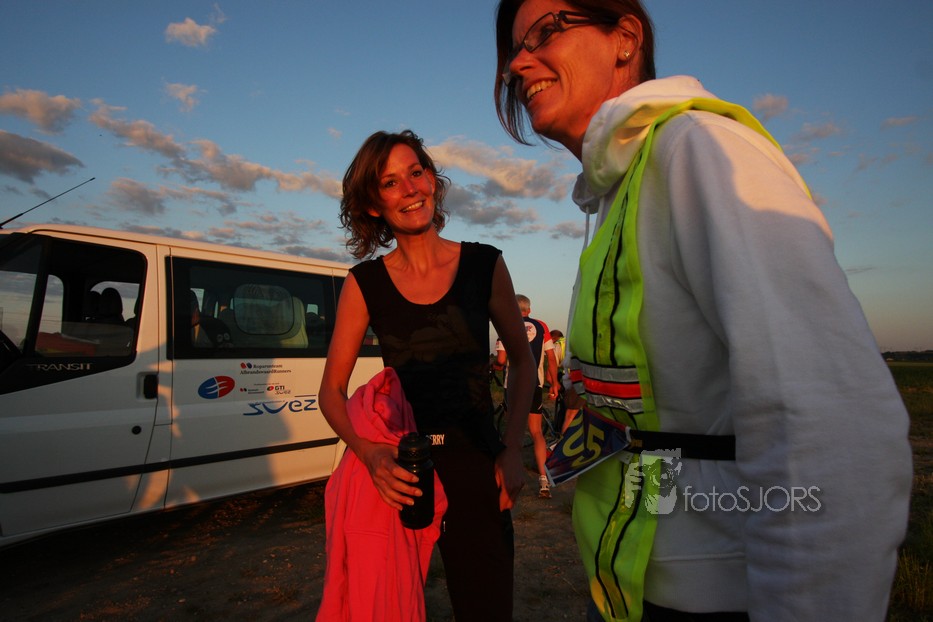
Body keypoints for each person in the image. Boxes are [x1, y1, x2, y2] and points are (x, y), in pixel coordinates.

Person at [493, 2, 913, 621]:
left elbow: (832, 423)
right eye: (513, 48)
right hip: (633, 588)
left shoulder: (700, 151)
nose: (516, 64)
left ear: (624, 39)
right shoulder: (615, 190)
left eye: (546, 32)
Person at [318, 129, 536, 621]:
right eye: (390, 182)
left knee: (486, 610)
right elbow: (330, 390)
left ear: (432, 180)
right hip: (401, 472)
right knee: (386, 609)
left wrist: (511, 448)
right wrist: (368, 452)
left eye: (416, 172)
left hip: (477, 466)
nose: (410, 189)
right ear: (373, 204)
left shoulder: (484, 263)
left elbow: (522, 361)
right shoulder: (365, 282)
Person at [496, 294, 558, 498]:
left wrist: (494, 366)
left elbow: (501, 360)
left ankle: (506, 479)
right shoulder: (542, 326)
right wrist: (554, 383)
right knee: (537, 432)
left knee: (511, 432)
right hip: (534, 383)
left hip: (513, 385)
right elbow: (551, 358)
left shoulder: (506, 326)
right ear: (529, 310)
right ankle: (544, 480)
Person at [551, 328, 583, 434]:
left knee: (569, 414)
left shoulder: (558, 345)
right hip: (591, 379)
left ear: (553, 339)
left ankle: (563, 440)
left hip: (574, 382)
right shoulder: (577, 341)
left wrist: (554, 384)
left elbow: (551, 369)